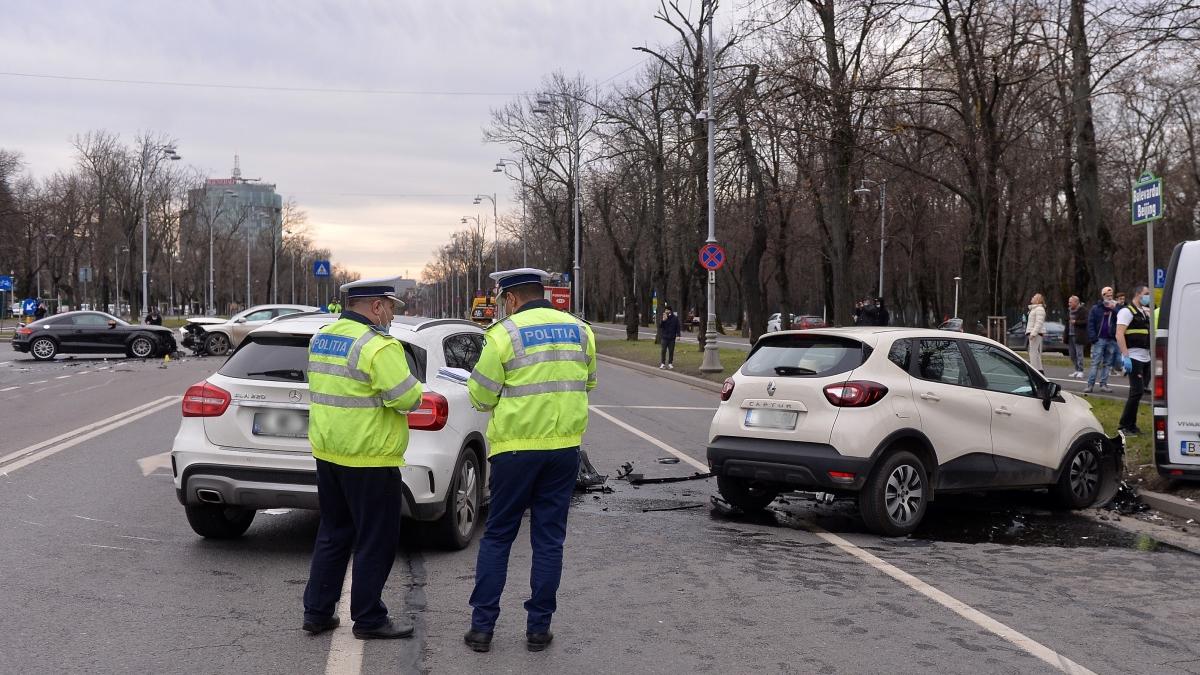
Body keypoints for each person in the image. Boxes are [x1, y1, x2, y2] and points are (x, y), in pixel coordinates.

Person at [464, 268, 597, 654]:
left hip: (516, 451)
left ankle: (482, 629)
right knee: (549, 539)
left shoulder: (504, 334)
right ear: (543, 294)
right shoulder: (579, 330)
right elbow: (589, 382)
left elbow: (483, 396)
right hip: (564, 451)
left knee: (499, 537)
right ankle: (539, 629)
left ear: (510, 299)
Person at [302, 277, 424, 640]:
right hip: (370, 458)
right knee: (376, 540)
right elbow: (406, 398)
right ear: (375, 306)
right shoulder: (379, 347)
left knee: (333, 534)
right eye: (389, 307)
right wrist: (416, 387)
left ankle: (317, 612)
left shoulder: (322, 336)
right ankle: (369, 618)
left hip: (329, 453)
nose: (390, 315)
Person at [1116, 284, 1152, 435]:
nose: (1148, 297)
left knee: (1138, 392)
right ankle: (1124, 426)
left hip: (1145, 357)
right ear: (1138, 294)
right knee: (1136, 392)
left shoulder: (1143, 312)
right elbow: (1119, 334)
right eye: (1146, 294)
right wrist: (1126, 356)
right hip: (1134, 356)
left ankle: (1132, 425)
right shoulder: (1126, 312)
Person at [1085, 287, 1118, 394]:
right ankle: (1090, 385)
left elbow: (1122, 318)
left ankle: (1104, 384)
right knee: (1095, 363)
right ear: (1103, 296)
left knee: (1107, 363)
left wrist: (1114, 309)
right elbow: (1090, 324)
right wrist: (1093, 338)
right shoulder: (1096, 308)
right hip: (1099, 339)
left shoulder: (1116, 308)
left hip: (1111, 339)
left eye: (1111, 296)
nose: (1109, 298)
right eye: (1107, 296)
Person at [1025, 293, 1047, 373]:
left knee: (1033, 352)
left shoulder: (1039, 309)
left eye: (1034, 297)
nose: (1032, 298)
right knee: (1035, 352)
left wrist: (1033, 333)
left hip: (1035, 334)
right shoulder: (1034, 309)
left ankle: (1034, 371)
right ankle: (1040, 371)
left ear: (1037, 300)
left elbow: (1039, 322)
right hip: (1033, 333)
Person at [1066, 295, 1087, 378]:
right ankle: (1076, 369)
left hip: (1079, 335)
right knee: (1072, 354)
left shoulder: (1083, 310)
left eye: (1070, 302)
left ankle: (1081, 370)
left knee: (1079, 354)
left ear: (1076, 302)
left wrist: (1076, 322)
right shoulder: (1069, 311)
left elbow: (1086, 321)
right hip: (1070, 335)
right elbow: (1067, 324)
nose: (1069, 304)